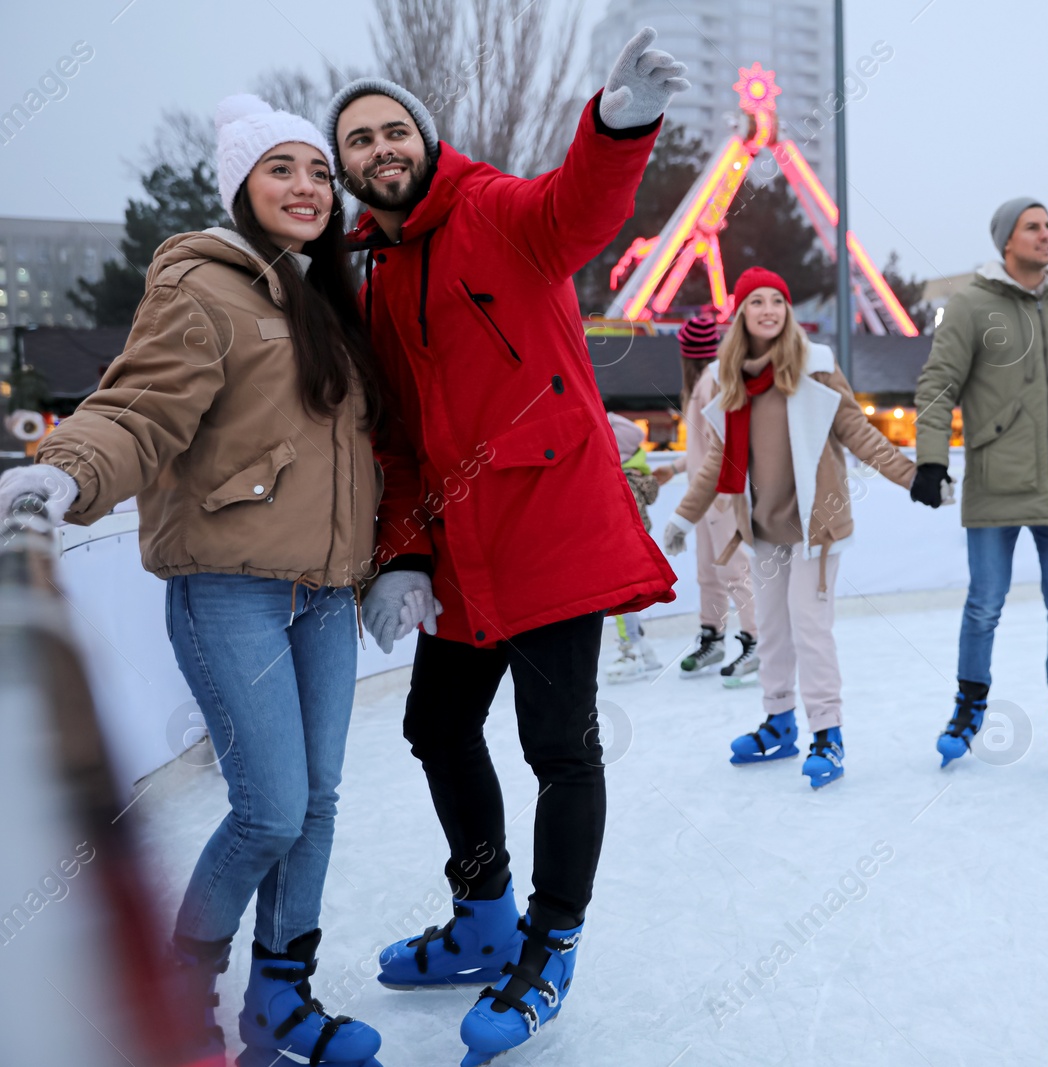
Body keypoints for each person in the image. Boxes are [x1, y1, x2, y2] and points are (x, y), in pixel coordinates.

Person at [322, 29, 686, 1063]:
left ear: (427, 142)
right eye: (360, 138)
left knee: (559, 747)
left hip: (553, 531)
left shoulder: (495, 208)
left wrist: (618, 125)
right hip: (458, 546)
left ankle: (549, 941)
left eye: (395, 129)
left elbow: (579, 205)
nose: (380, 146)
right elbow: (394, 432)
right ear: (346, 164)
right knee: (437, 725)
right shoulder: (375, 273)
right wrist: (399, 552)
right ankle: (483, 919)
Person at [0, 95, 387, 1066]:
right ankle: (181, 995)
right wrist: (67, 471)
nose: (308, 187)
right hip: (231, 586)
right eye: (282, 170)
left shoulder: (322, 300)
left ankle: (281, 998)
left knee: (322, 799)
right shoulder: (201, 287)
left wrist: (390, 560)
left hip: (325, 594)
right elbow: (138, 409)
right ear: (241, 187)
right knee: (270, 806)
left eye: (317, 173)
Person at [660, 267, 920, 788]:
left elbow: (856, 431)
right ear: (742, 315)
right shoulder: (730, 380)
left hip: (815, 526)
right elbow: (715, 461)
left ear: (787, 311)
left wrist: (913, 477)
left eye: (777, 301)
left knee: (810, 626)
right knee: (773, 631)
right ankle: (779, 722)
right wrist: (683, 516)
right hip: (761, 528)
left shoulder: (815, 367)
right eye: (756, 302)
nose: (769, 310)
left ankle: (828, 732)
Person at [911, 197, 1048, 782]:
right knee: (984, 606)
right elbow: (937, 384)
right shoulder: (971, 306)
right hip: (995, 482)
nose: (1046, 235)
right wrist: (930, 460)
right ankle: (967, 710)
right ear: (1006, 240)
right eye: (1033, 227)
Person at [660, 307, 760, 685]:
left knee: (734, 572)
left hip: (721, 495)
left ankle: (756, 640)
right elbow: (706, 446)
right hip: (704, 494)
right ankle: (712, 637)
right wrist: (676, 467)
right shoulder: (702, 382)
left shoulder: (715, 380)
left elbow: (723, 448)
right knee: (708, 574)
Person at [605, 411, 664, 682]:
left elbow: (625, 519)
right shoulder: (636, 476)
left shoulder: (623, 480)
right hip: (631, 547)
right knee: (624, 600)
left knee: (621, 600)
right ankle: (646, 652)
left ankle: (631, 653)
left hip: (622, 549)